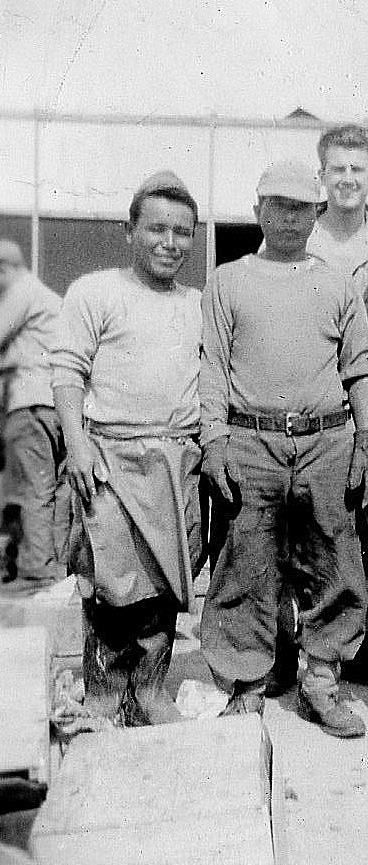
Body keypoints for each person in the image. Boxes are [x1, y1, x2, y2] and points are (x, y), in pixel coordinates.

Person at [198, 160, 368, 738]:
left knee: (332, 561)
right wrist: (214, 440)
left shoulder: (337, 283)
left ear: (317, 214)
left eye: (302, 207)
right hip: (252, 439)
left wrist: (367, 442)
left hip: (327, 439)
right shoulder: (228, 280)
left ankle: (321, 680)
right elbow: (212, 367)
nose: (290, 218)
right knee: (246, 564)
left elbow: (360, 368)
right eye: (278, 205)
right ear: (258, 211)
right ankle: (248, 683)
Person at [53, 171, 202, 728]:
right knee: (112, 582)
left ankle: (150, 691)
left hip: (176, 462)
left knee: (165, 584)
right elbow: (67, 371)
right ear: (130, 230)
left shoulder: (197, 304)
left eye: (182, 232)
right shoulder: (95, 291)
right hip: (109, 458)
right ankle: (105, 693)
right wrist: (77, 444)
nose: (170, 243)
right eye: (157, 229)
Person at [305, 123, 368, 688]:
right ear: (321, 174)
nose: (346, 179)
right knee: (325, 531)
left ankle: (367, 646)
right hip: (321, 403)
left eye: (356, 169)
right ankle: (308, 646)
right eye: (336, 168)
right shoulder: (300, 236)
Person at [0, 239, 68, 588]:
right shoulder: (51, 299)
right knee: (51, 490)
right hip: (56, 406)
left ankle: (37, 568)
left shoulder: (22, 291)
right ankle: (52, 563)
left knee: (31, 490)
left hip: (29, 405)